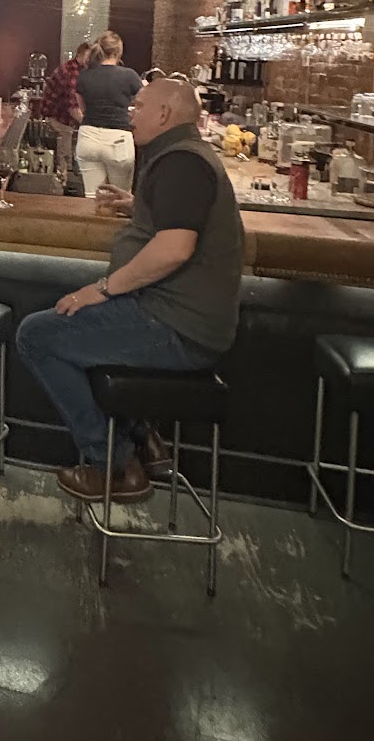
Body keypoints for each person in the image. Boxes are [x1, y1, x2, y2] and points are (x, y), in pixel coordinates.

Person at [15, 77, 242, 506]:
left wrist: (101, 289)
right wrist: (140, 206)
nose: (130, 114)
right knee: (78, 328)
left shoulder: (181, 162)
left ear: (165, 114)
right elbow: (180, 216)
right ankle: (142, 434)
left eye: (139, 106)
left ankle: (114, 464)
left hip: (179, 328)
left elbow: (175, 248)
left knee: (37, 336)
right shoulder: (183, 155)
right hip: (175, 316)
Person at [71, 30, 143, 197]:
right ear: (118, 52)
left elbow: (83, 109)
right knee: (120, 198)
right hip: (119, 140)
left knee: (92, 197)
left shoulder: (84, 76)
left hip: (88, 137)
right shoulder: (129, 75)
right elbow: (145, 104)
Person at [36, 43, 92, 189]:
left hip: (62, 116)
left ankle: (66, 178)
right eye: (89, 57)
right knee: (64, 146)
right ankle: (62, 183)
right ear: (79, 55)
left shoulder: (77, 69)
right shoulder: (70, 73)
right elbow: (72, 108)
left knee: (70, 141)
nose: (91, 60)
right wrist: (90, 124)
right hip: (57, 117)